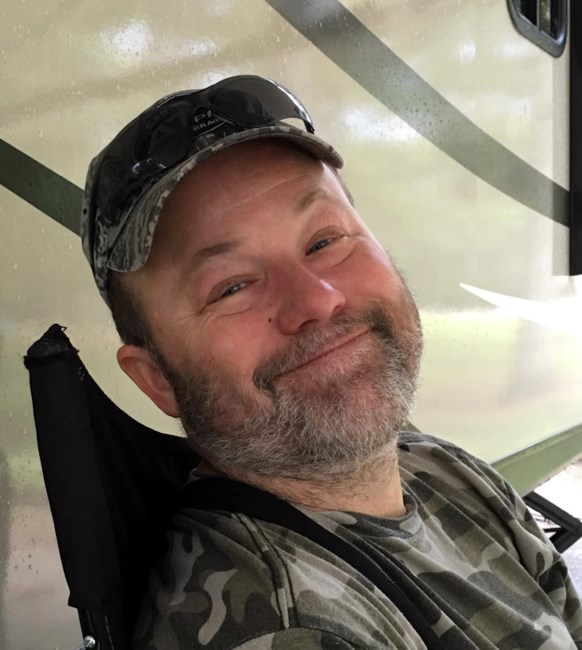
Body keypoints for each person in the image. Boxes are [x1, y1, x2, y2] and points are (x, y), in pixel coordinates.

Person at [81, 75, 582, 649]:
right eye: (231, 286)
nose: (316, 299)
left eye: (323, 241)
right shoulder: (287, 625)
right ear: (158, 380)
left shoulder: (440, 469)